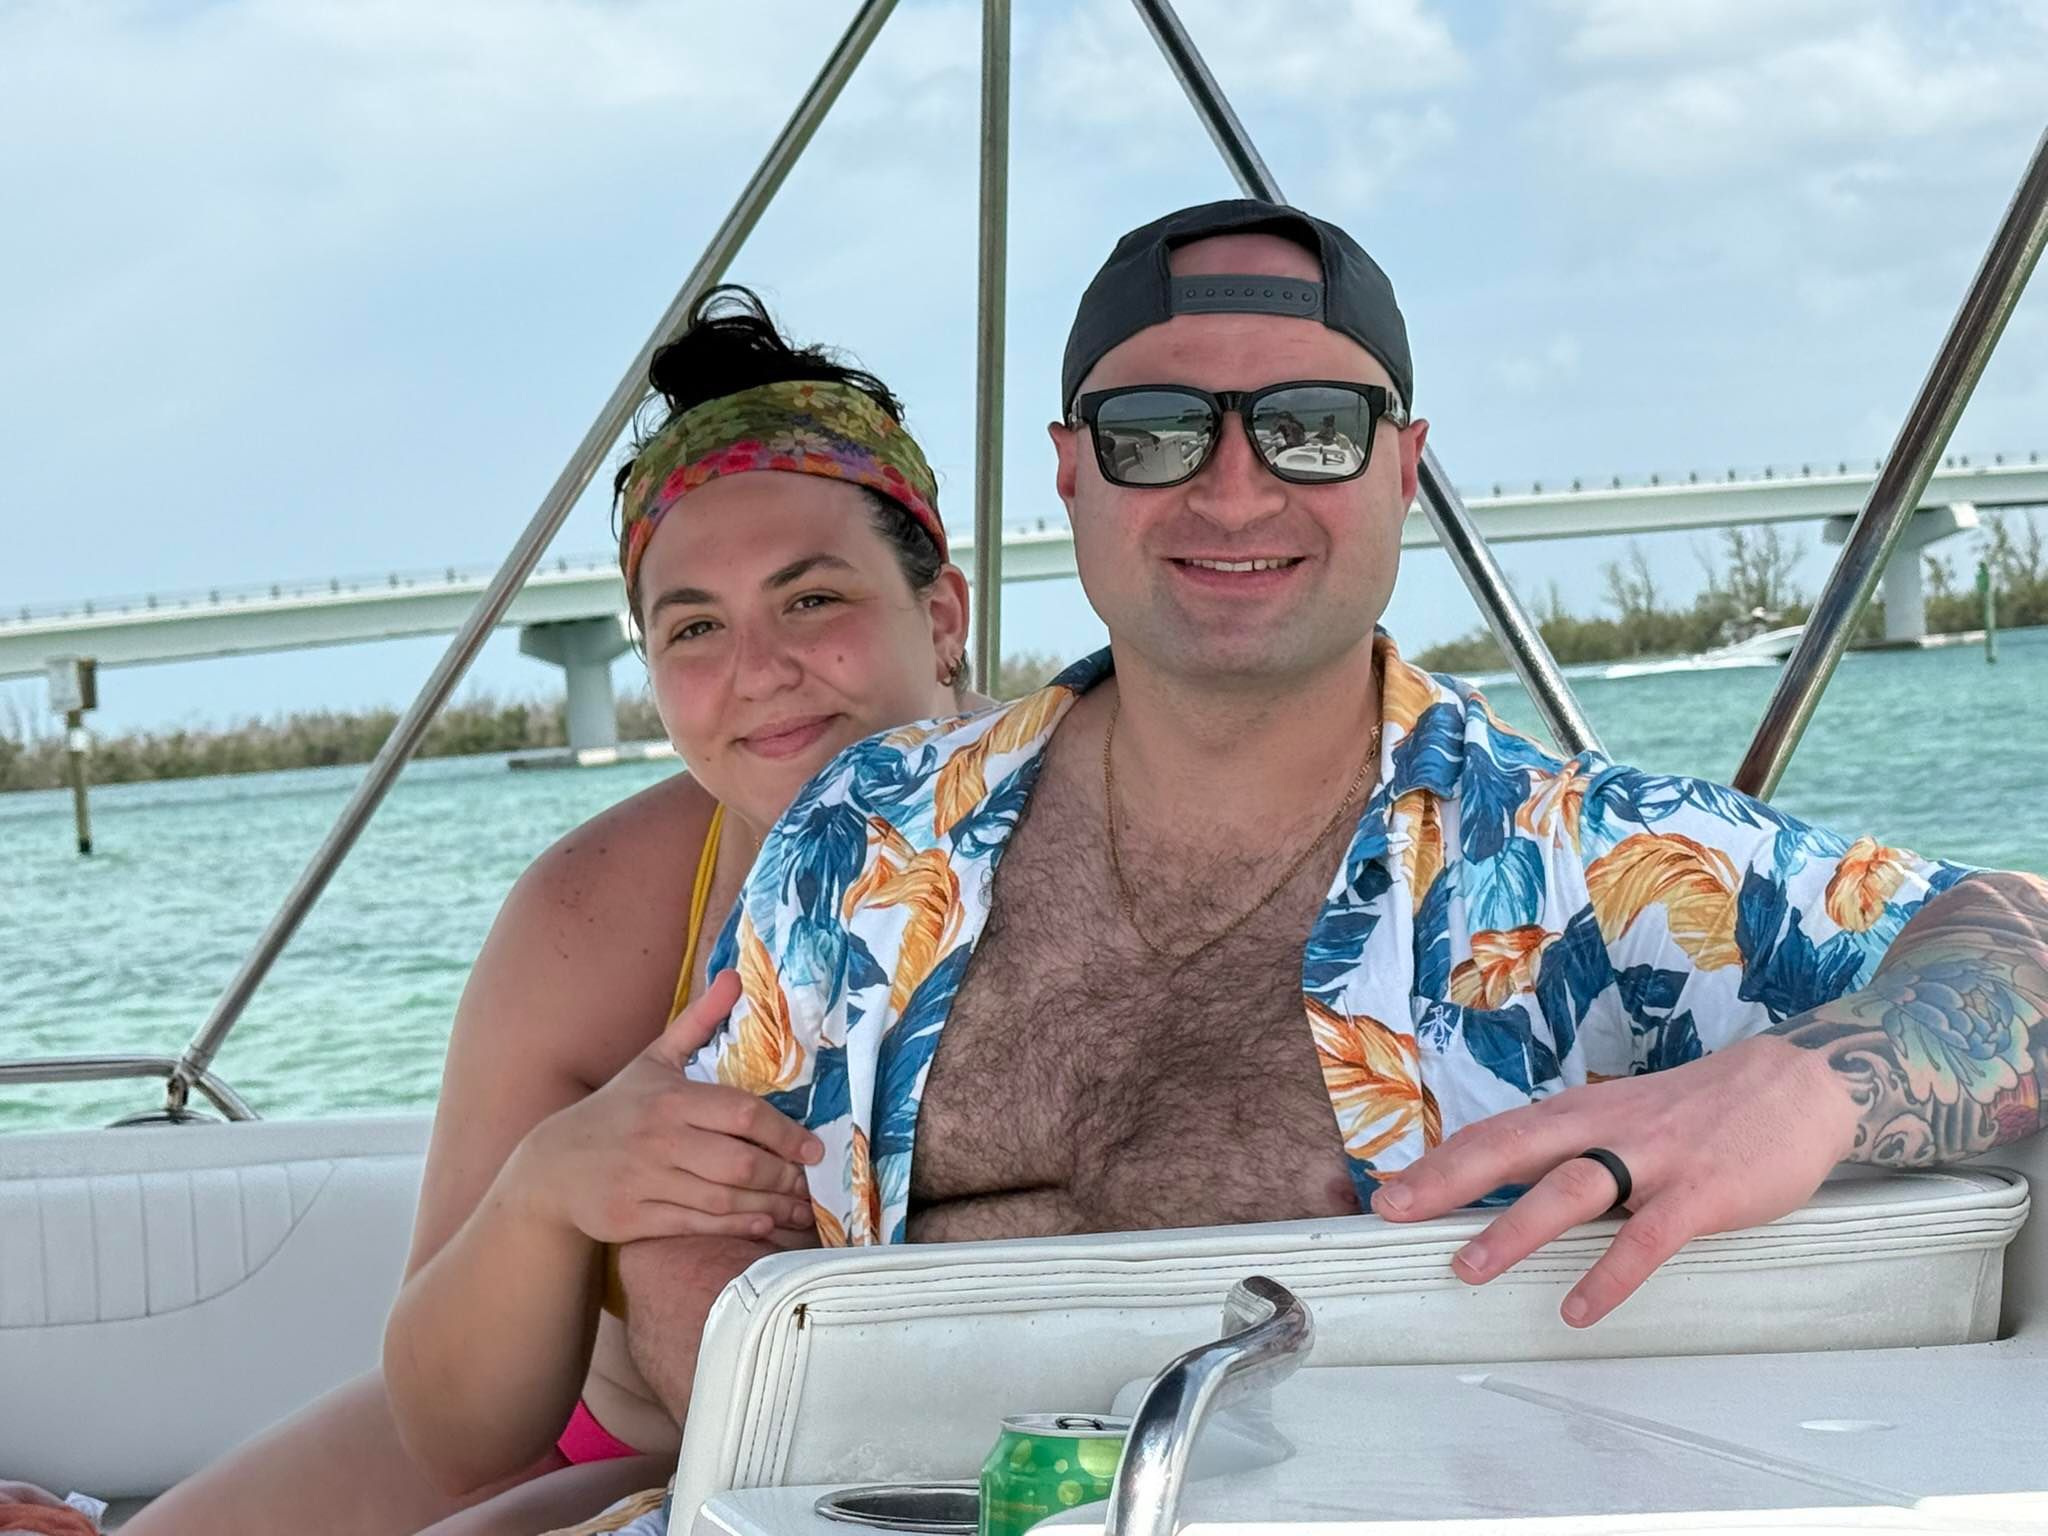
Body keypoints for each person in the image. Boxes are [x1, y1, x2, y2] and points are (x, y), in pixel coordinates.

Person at [615, 199, 2048, 1425]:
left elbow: (2029, 942)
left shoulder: (1583, 865)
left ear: (1401, 468)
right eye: (1157, 433)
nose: (1234, 492)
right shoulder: (865, 833)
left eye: (1311, 430)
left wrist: (1793, 1089)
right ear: (1071, 472)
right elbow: (703, 1228)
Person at [123, 286, 974, 1536]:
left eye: (811, 601)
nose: (758, 670)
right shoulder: (596, 910)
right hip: (602, 1419)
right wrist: (548, 1191)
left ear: (939, 616)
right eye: (695, 628)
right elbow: (457, 1434)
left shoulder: (1086, 817)